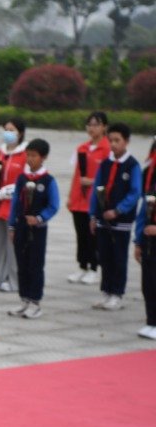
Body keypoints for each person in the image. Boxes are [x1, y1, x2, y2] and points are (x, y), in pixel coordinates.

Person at [7, 138, 60, 319]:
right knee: (21, 264)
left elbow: (54, 205)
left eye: (34, 156)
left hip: (38, 229)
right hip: (21, 226)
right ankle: (24, 299)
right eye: (28, 155)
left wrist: (39, 218)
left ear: (43, 157)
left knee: (35, 265)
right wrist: (12, 225)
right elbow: (15, 201)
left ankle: (35, 302)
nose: (30, 159)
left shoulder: (48, 180)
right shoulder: (22, 178)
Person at [89, 123, 141, 311]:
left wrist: (118, 210)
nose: (113, 144)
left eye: (117, 140)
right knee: (105, 257)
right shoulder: (105, 164)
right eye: (110, 140)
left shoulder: (132, 165)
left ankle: (117, 294)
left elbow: (135, 192)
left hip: (121, 222)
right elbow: (96, 189)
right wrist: (93, 215)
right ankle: (106, 291)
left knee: (118, 257)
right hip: (103, 219)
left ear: (126, 141)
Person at [67, 112, 111, 284]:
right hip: (79, 199)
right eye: (89, 124)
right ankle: (82, 266)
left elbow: (109, 178)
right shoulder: (82, 148)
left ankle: (94, 268)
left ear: (104, 127)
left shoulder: (107, 149)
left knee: (93, 235)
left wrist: (92, 181)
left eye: (96, 124)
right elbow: (76, 174)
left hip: (94, 200)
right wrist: (70, 196)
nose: (92, 128)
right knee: (81, 234)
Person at [0, 118, 28, 292]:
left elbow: (24, 181)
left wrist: (4, 192)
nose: (8, 133)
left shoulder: (25, 154)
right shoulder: (0, 153)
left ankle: (14, 279)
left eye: (12, 130)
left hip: (14, 205)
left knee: (13, 244)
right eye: (6, 129)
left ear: (20, 133)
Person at [132, 138, 156, 339]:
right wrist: (138, 241)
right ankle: (151, 321)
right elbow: (142, 212)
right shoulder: (149, 174)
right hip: (149, 241)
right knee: (148, 283)